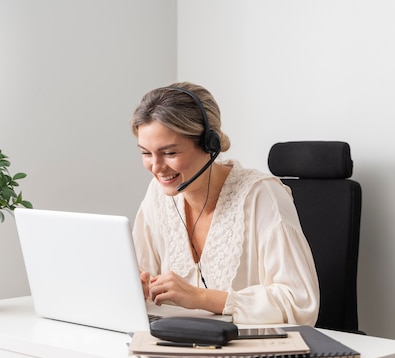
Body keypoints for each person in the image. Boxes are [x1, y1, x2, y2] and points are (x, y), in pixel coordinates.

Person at [130, 81, 319, 325]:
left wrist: (200, 297)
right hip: (178, 341)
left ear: (211, 145)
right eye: (146, 153)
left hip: (247, 352)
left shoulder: (262, 195)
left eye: (170, 153)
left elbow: (298, 302)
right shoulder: (158, 194)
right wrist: (137, 285)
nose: (156, 167)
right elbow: (139, 269)